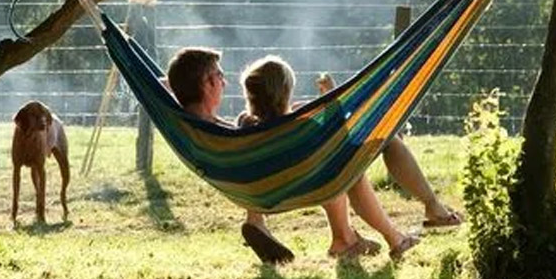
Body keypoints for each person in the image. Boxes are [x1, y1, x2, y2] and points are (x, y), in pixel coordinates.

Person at [165, 48, 417, 263]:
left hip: (256, 186)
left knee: (333, 165)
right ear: (208, 82)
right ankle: (373, 238)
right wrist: (331, 103)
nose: (224, 82)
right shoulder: (226, 129)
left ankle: (345, 237)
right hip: (281, 185)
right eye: (220, 76)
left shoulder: (198, 126)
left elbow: (254, 132)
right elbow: (330, 134)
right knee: (340, 165)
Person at [238, 55, 420, 261]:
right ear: (285, 92)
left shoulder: (245, 125)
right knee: (345, 171)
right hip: (307, 188)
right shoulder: (299, 125)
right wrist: (332, 102)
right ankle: (388, 238)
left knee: (333, 171)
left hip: (264, 195)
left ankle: (347, 238)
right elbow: (337, 141)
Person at [316, 72, 463, 228]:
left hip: (307, 157)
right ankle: (428, 210)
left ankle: (351, 236)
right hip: (317, 157)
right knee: (383, 143)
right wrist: (332, 104)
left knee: (379, 143)